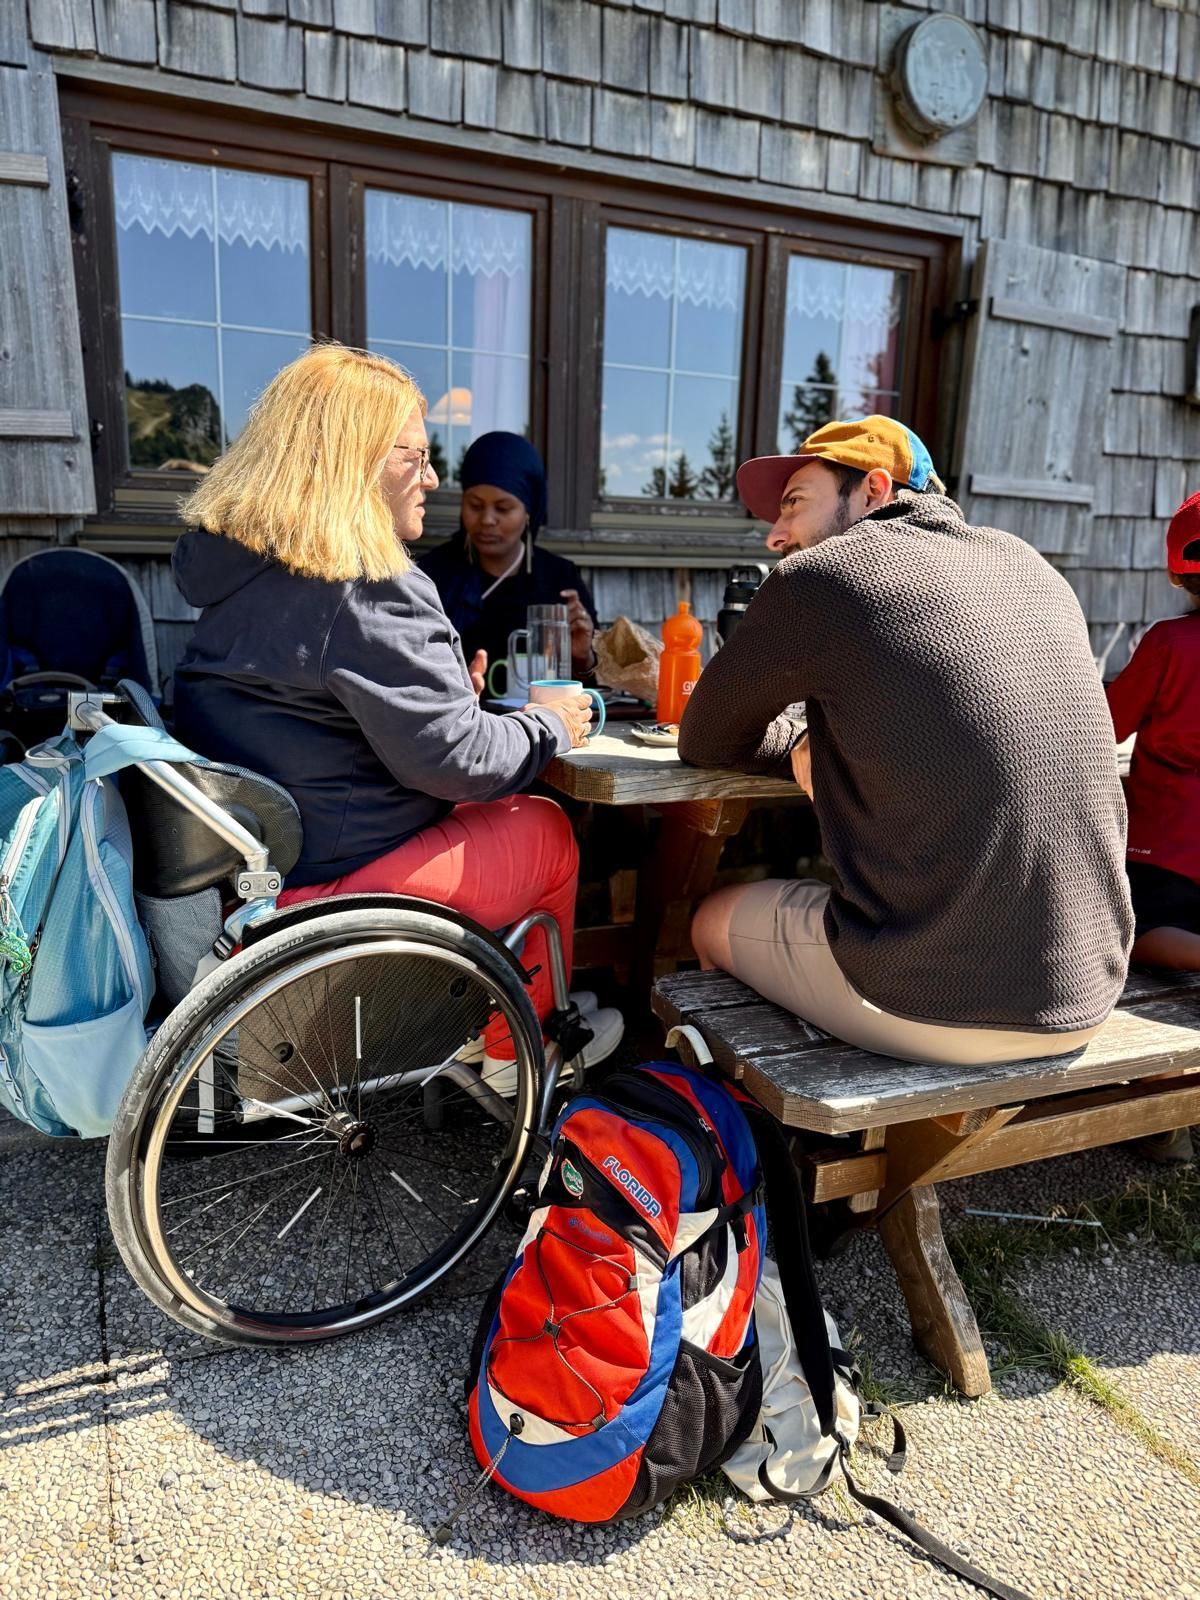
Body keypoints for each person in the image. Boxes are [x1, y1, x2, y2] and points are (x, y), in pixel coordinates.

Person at [172, 343, 623, 1086]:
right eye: (415, 456)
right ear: (353, 459)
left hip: (250, 873)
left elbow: (326, 719)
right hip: (329, 886)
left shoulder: (239, 569)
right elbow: (462, 764)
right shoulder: (362, 582)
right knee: (541, 828)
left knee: (505, 810)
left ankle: (478, 1019)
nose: (434, 479)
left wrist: (454, 705)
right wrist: (556, 726)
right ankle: (522, 1049)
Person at [679, 415, 1133, 1067]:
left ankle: (734, 1129)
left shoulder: (823, 576)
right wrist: (822, 744)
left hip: (935, 1005)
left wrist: (805, 746)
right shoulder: (1031, 566)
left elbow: (705, 738)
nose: (776, 534)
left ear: (872, 489)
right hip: (1090, 988)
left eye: (795, 503)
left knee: (710, 918)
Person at [1104, 491, 1200, 1161]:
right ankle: (1169, 1125)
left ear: (1178, 571)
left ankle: (1157, 1125)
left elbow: (1103, 727)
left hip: (1164, 846)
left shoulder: (1169, 643)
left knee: (1119, 938)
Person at [418, 431, 598, 686]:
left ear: (528, 512)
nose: (487, 520)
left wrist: (582, 656)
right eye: (475, 505)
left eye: (503, 508)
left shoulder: (560, 580)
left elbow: (591, 688)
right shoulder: (434, 575)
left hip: (543, 720)